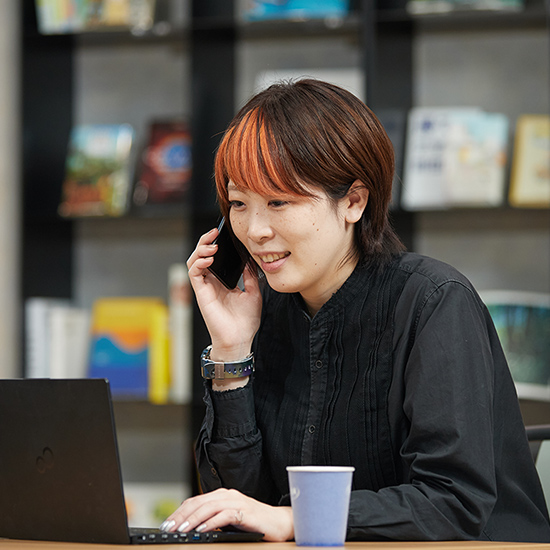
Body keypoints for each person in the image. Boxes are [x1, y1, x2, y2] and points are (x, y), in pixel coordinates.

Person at [161, 79, 550, 542]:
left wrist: (293, 519)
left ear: (353, 202)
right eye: (240, 204)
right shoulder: (262, 312)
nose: (256, 229)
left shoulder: (433, 301)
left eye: (279, 202)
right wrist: (230, 351)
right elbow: (238, 509)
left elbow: (454, 502)